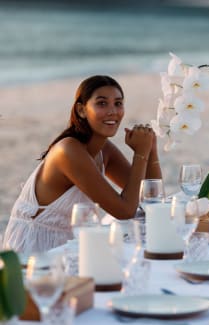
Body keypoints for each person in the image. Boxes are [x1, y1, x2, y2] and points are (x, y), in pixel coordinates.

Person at [4, 75, 162, 254]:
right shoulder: (69, 151)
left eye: (118, 103)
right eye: (102, 103)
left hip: (71, 244)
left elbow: (152, 197)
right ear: (81, 110)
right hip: (36, 248)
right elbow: (124, 211)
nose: (112, 111)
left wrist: (151, 149)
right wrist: (140, 154)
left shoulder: (104, 150)